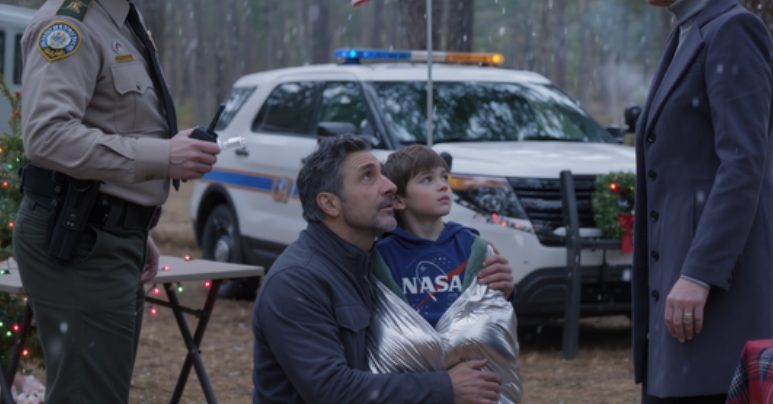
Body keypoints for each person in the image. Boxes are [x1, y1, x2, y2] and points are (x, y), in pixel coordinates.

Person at [13, 1, 220, 403]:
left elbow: (111, 122)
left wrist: (133, 224)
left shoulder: (124, 19)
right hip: (78, 241)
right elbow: (47, 136)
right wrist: (165, 157)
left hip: (104, 231)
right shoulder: (69, 24)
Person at [252, 134, 507, 404]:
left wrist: (488, 289)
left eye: (383, 175)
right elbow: (332, 390)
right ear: (329, 204)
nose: (389, 186)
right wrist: (445, 387)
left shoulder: (370, 263)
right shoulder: (296, 282)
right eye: (367, 177)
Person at [633, 0, 773, 402]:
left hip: (714, 292)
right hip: (676, 288)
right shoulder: (685, 32)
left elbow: (744, 164)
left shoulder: (735, 29)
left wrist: (700, 273)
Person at [374, 144, 514, 326]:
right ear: (399, 200)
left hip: (470, 351)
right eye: (427, 179)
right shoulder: (383, 255)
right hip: (414, 351)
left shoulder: (471, 245)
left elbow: (493, 306)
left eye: (444, 177)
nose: (442, 186)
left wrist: (506, 290)